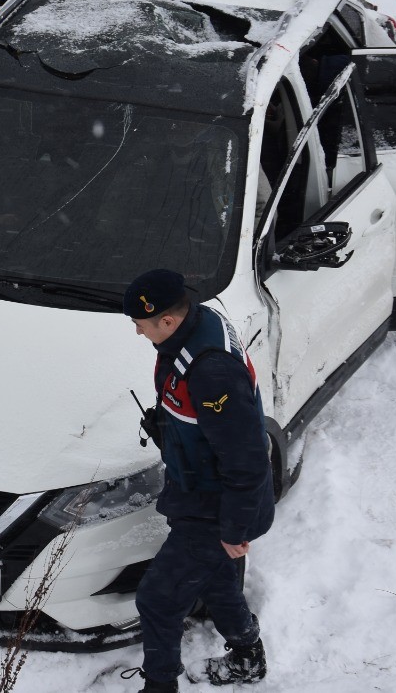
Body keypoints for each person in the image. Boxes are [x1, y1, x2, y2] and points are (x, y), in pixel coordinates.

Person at [122, 269, 274, 692]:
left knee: (157, 599)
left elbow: (246, 460)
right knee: (217, 579)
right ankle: (248, 657)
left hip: (216, 506)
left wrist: (234, 529)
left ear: (168, 320)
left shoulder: (212, 372)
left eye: (140, 323)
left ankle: (160, 687)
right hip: (197, 490)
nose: (138, 332)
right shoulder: (193, 327)